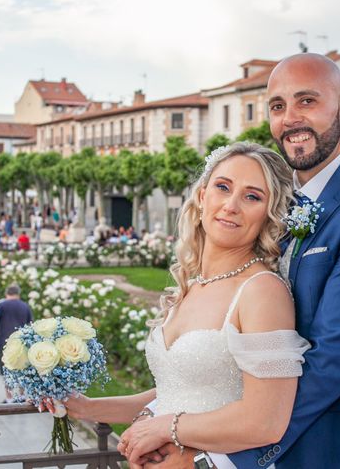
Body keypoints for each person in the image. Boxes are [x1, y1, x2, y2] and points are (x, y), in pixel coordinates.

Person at [113, 54, 340, 468]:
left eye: (307, 102)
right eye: (278, 106)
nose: (290, 118)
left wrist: (213, 454)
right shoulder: (273, 202)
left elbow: (332, 357)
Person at [61, 142, 311, 469]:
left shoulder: (261, 291)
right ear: (203, 195)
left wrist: (168, 428)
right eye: (223, 187)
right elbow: (179, 390)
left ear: (269, 213)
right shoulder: (191, 285)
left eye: (252, 197)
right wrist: (87, 408)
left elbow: (266, 421)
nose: (231, 205)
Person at [0, 284, 33, 401]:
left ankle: (9, 397)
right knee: (22, 368)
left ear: (6, 293)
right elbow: (31, 325)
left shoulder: (2, 305)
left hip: (4, 342)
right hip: (22, 343)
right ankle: (21, 395)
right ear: (18, 294)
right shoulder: (25, 306)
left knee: (6, 369)